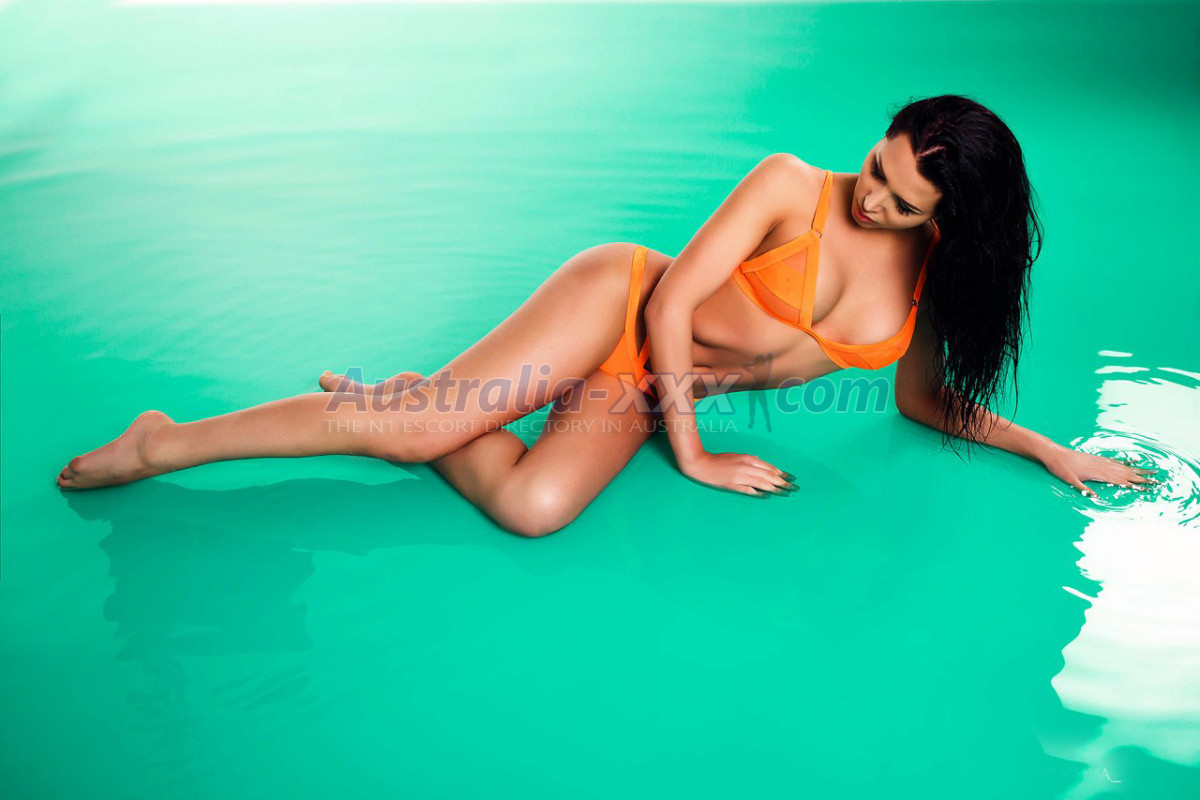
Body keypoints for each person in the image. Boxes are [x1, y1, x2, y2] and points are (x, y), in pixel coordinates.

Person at [56, 94, 1156, 535]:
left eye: (902, 202)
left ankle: (408, 400)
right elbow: (672, 300)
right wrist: (696, 453)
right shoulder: (791, 185)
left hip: (648, 378)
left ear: (948, 222)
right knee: (421, 433)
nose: (871, 198)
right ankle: (163, 441)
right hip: (621, 306)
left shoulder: (925, 290)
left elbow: (923, 403)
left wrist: (1050, 451)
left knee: (533, 506)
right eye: (876, 167)